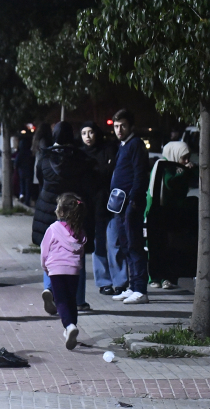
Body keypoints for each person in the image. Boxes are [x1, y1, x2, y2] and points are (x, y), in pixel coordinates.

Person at [33, 122, 94, 312]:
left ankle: (50, 289)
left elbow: (40, 179)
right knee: (77, 251)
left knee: (51, 251)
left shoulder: (45, 156)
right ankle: (78, 300)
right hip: (73, 210)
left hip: (49, 209)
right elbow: (88, 185)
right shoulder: (81, 158)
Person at [109, 109, 151, 304]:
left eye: (122, 126)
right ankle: (133, 286)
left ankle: (141, 289)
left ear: (130, 126)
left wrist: (133, 201)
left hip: (130, 203)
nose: (119, 130)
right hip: (119, 203)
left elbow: (140, 174)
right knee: (126, 245)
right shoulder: (123, 145)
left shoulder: (136, 145)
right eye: (116, 126)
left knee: (134, 245)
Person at [80, 121, 126, 296]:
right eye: (84, 133)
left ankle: (120, 281)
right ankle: (104, 282)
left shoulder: (108, 149)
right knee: (98, 244)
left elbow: (111, 171)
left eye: (90, 132)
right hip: (90, 207)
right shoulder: (81, 154)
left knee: (114, 242)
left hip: (110, 204)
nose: (87, 136)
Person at [40, 193, 87, 350]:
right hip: (73, 270)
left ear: (60, 211)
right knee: (71, 299)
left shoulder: (53, 229)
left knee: (60, 301)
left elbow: (44, 251)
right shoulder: (79, 231)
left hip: (56, 269)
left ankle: (68, 326)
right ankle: (71, 326)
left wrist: (45, 267)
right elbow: (80, 251)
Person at [145, 141, 194, 289]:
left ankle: (168, 278)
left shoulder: (179, 168)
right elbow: (167, 183)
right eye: (183, 158)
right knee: (156, 246)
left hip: (172, 213)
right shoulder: (163, 165)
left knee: (170, 246)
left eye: (188, 158)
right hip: (157, 212)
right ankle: (155, 277)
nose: (186, 161)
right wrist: (183, 172)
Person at [32, 122, 54, 201]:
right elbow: (45, 152)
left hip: (38, 164)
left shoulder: (37, 139)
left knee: (41, 188)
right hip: (43, 166)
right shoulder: (44, 140)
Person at [15, 133, 34, 206]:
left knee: (22, 185)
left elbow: (17, 162)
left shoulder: (20, 153)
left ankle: (22, 196)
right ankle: (27, 199)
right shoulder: (30, 153)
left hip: (21, 172)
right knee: (28, 187)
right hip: (29, 172)